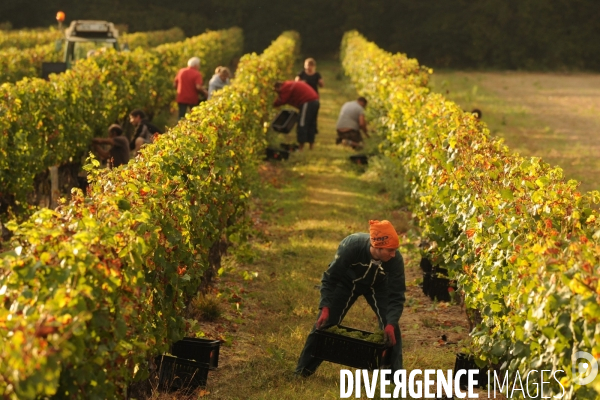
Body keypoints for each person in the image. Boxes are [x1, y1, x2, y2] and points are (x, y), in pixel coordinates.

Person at [295, 220, 406, 377]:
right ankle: (302, 371)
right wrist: (325, 307)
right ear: (377, 247)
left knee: (392, 330)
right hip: (347, 281)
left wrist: (390, 323)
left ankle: (394, 379)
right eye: (390, 250)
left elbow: (397, 295)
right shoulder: (351, 247)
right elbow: (330, 279)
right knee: (324, 324)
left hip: (379, 285)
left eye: (395, 250)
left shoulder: (395, 260)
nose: (394, 254)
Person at [273, 81, 319, 151]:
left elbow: (282, 100)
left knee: (302, 123)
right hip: (315, 101)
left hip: (307, 102)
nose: (278, 93)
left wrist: (273, 104)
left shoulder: (286, 87)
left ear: (279, 87)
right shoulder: (289, 84)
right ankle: (311, 147)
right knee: (311, 124)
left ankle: (301, 148)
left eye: (277, 91)